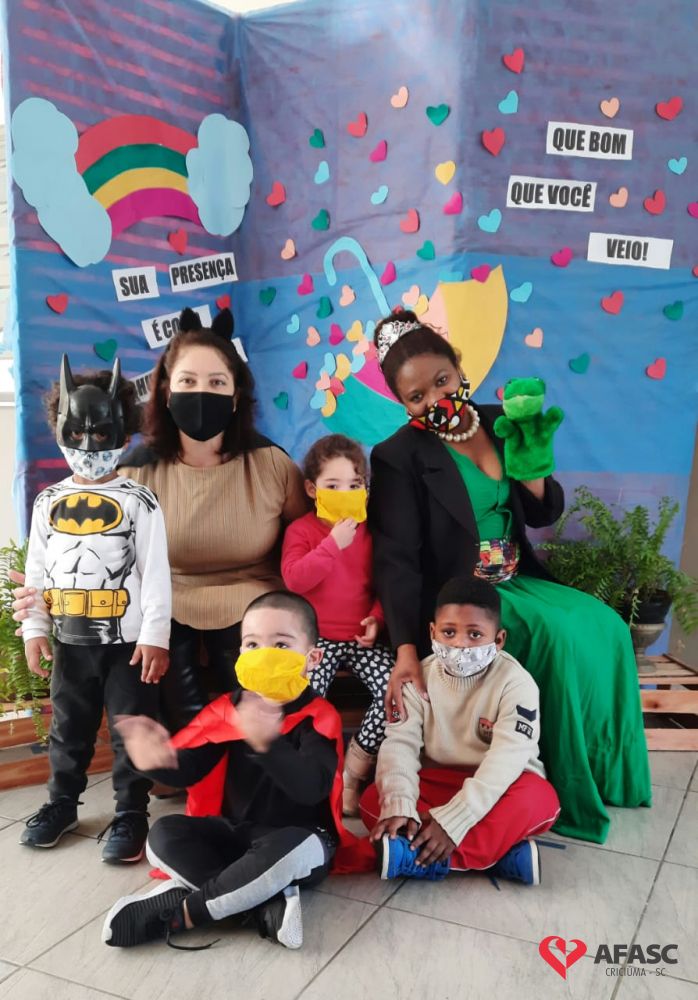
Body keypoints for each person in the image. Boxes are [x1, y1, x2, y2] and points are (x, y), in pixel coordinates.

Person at [367, 309, 651, 844]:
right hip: (463, 594)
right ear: (402, 403)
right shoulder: (397, 456)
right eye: (417, 396)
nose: (435, 399)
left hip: (518, 577)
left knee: (608, 625)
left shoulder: (500, 423)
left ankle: (609, 772)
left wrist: (534, 468)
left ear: (459, 369)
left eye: (442, 381)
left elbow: (543, 513)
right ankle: (562, 785)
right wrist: (405, 649)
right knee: (556, 637)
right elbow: (396, 558)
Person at [101, 590, 373, 952]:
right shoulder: (227, 709)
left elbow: (311, 788)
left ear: (312, 658)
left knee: (302, 847)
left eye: (281, 644)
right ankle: (261, 907)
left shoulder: (319, 717)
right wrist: (154, 758)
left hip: (295, 840)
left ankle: (183, 913)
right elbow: (189, 771)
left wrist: (268, 744)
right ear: (240, 652)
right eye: (253, 644)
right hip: (235, 837)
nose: (264, 655)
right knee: (163, 833)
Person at [104, 307, 306, 731]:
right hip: (167, 601)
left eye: (216, 382)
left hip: (253, 599)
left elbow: (307, 538)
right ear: (166, 391)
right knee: (178, 705)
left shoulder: (272, 465)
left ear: (235, 396)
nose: (201, 393)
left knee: (257, 697)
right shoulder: (134, 473)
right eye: (188, 381)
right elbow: (108, 556)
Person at [19, 355, 171, 862]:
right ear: (60, 429)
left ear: (123, 431)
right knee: (68, 727)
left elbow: (155, 572)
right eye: (78, 432)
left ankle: (131, 812)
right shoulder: (47, 503)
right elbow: (37, 573)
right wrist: (34, 630)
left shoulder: (140, 501)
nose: (88, 445)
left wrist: (155, 636)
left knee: (132, 726)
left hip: (128, 644)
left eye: (101, 432)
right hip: (70, 640)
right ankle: (61, 803)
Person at [363, 576, 560, 884]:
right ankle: (499, 854)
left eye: (475, 634)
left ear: (499, 640)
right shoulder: (418, 678)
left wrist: (453, 822)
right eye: (449, 632)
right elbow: (400, 744)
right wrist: (400, 801)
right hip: (441, 781)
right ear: (433, 632)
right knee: (376, 798)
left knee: (540, 799)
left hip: (501, 787)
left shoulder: (517, 684)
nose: (459, 644)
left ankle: (424, 857)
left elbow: (506, 761)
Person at [281, 434, 393, 815]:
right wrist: (332, 543)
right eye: (333, 485)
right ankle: (318, 776)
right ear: (312, 489)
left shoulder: (372, 532)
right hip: (318, 641)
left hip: (361, 640)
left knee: (397, 693)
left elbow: (384, 584)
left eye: (354, 484)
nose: (345, 492)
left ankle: (354, 771)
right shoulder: (301, 531)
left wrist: (376, 618)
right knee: (306, 699)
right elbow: (295, 579)